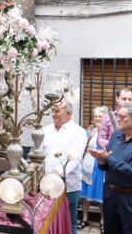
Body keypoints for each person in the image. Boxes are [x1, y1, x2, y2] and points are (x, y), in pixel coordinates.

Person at [88, 104, 132, 234]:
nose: (117, 119)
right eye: (117, 115)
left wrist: (107, 159)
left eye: (122, 116)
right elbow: (107, 166)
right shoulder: (116, 135)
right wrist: (101, 161)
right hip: (111, 193)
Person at [41, 98, 87, 234]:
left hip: (69, 186)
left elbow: (74, 159)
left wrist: (56, 173)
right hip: (45, 185)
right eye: (52, 110)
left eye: (57, 110)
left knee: (70, 224)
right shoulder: (46, 130)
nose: (54, 113)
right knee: (48, 222)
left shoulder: (78, 132)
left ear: (68, 113)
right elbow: (40, 154)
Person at [79, 106, 108, 232]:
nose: (97, 118)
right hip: (88, 166)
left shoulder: (108, 132)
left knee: (102, 195)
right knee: (85, 195)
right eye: (95, 116)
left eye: (100, 116)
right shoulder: (90, 131)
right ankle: (85, 218)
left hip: (101, 168)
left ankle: (103, 221)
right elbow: (82, 149)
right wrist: (89, 137)